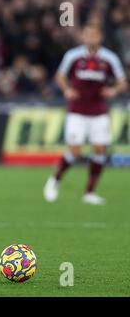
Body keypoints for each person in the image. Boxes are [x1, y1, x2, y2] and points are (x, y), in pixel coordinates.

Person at [43, 24, 127, 205]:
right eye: (88, 35)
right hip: (77, 110)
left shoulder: (109, 58)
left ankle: (89, 192)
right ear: (83, 37)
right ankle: (55, 180)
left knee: (99, 150)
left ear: (100, 37)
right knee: (75, 150)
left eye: (94, 35)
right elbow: (60, 76)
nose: (91, 38)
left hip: (99, 110)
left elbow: (122, 82)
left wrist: (113, 90)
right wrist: (67, 89)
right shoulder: (73, 56)